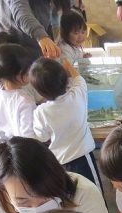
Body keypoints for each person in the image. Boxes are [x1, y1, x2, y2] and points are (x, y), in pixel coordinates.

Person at [30, 58, 102, 190]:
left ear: (39, 92)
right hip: (83, 158)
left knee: (69, 196)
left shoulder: (40, 112)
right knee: (93, 192)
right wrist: (67, 64)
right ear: (67, 81)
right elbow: (79, 79)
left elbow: (42, 137)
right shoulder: (77, 95)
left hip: (59, 163)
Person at [0, 43, 38, 140]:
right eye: (28, 69)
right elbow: (29, 137)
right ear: (20, 73)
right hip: (21, 146)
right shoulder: (25, 101)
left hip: (1, 143)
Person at [0, 0, 69, 58]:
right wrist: (42, 36)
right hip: (14, 48)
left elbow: (47, 18)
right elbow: (21, 12)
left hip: (35, 43)